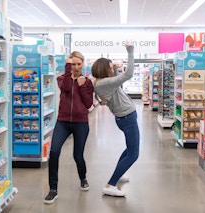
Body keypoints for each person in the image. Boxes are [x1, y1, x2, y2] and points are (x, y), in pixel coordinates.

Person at [44, 51, 94, 204]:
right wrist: (67, 68)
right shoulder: (61, 78)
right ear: (69, 65)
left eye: (79, 64)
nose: (76, 67)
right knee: (54, 152)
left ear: (83, 64)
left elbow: (88, 104)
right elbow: (65, 88)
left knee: (77, 155)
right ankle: (53, 189)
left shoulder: (87, 82)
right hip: (63, 122)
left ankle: (83, 178)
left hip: (81, 123)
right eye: (73, 64)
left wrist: (82, 87)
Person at [91, 44, 139, 197]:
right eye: (110, 68)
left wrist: (117, 70)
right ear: (104, 69)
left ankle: (118, 175)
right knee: (133, 154)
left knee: (129, 150)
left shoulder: (101, 82)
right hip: (127, 118)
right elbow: (129, 74)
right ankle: (110, 184)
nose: (112, 70)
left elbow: (117, 87)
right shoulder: (104, 83)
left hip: (125, 117)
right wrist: (130, 51)